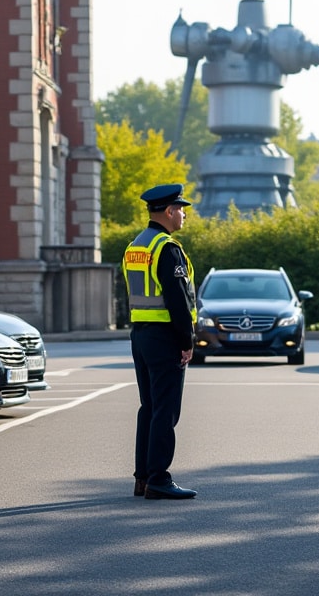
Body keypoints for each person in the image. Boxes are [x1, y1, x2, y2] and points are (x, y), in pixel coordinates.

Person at [123, 183, 199, 500]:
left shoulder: (135, 246)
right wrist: (187, 341)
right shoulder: (166, 248)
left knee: (150, 408)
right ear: (168, 211)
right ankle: (159, 479)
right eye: (180, 209)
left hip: (141, 335)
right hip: (165, 336)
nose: (183, 214)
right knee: (165, 411)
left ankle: (143, 477)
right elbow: (177, 300)